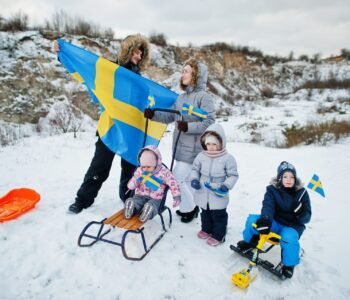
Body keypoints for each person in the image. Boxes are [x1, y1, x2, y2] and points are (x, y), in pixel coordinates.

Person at [54, 34, 150, 213]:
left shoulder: (140, 81)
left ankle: (129, 199)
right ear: (127, 51)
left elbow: (145, 103)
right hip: (110, 128)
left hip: (130, 132)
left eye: (141, 54)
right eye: (135, 52)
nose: (138, 56)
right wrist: (63, 54)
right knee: (99, 166)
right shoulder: (109, 70)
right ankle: (82, 200)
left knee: (129, 169)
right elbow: (84, 69)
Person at [144, 58, 215, 223]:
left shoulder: (204, 97)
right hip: (181, 148)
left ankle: (190, 208)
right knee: (187, 180)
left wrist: (188, 127)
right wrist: (153, 115)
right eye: (182, 71)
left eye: (186, 71)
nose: (182, 74)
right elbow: (171, 115)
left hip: (195, 149)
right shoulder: (181, 98)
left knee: (175, 178)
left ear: (196, 75)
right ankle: (188, 209)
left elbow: (209, 122)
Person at [236, 161, 312, 278]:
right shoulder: (272, 190)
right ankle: (250, 242)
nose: (289, 179)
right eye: (285, 176)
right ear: (279, 178)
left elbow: (307, 217)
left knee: (289, 238)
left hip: (292, 226)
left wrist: (301, 212)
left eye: (292, 177)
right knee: (252, 221)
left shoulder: (302, 193)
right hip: (275, 221)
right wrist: (266, 219)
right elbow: (268, 205)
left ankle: (289, 264)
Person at [190, 124, 238, 246]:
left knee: (218, 215)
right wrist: (194, 179)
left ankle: (219, 235)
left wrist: (226, 185)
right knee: (205, 212)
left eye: (214, 144)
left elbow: (233, 175)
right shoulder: (201, 156)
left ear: (221, 144)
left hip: (218, 190)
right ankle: (206, 229)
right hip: (203, 190)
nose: (211, 147)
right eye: (208, 144)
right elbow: (195, 169)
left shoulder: (228, 158)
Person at [124, 145, 181, 222]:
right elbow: (135, 178)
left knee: (153, 205)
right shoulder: (140, 170)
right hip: (140, 195)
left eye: (149, 167)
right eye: (143, 166)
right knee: (136, 201)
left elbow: (173, 183)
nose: (146, 169)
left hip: (155, 198)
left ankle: (148, 212)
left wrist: (176, 196)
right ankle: (132, 206)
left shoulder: (164, 172)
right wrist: (132, 183)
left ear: (156, 163)